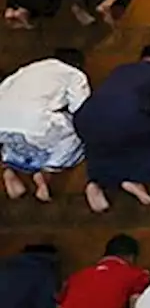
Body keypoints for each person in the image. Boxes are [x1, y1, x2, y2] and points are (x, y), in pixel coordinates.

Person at [75, 46, 150, 213]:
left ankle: (96, 182)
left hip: (85, 118)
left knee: (99, 146)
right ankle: (134, 178)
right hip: (127, 121)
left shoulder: (121, 70)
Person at [0, 50, 89, 203]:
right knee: (76, 132)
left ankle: (9, 169)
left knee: (17, 138)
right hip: (35, 125)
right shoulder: (74, 74)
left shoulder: (27, 69)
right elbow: (80, 108)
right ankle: (46, 173)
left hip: (3, 125)